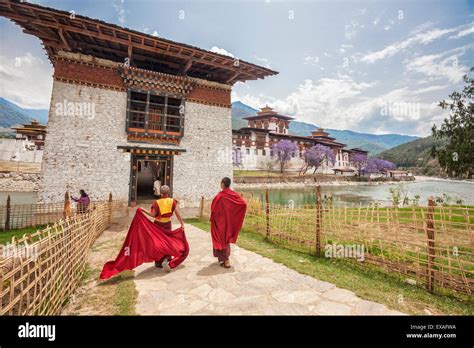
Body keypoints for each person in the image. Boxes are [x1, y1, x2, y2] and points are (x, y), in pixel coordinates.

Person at [145, 185, 184, 272]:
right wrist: (182, 223)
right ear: (168, 193)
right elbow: (177, 213)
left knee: (158, 242)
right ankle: (166, 259)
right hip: (167, 224)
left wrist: (143, 210)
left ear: (160, 193)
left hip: (158, 224)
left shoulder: (156, 202)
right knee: (167, 241)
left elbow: (153, 215)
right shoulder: (172, 201)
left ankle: (159, 261)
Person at [210, 177, 247, 268]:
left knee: (220, 240)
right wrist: (232, 216)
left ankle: (226, 261)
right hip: (227, 222)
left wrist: (213, 218)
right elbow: (243, 204)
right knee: (224, 240)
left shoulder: (221, 195)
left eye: (221, 183)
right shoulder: (233, 194)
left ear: (223, 184)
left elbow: (214, 209)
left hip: (220, 223)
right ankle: (223, 260)